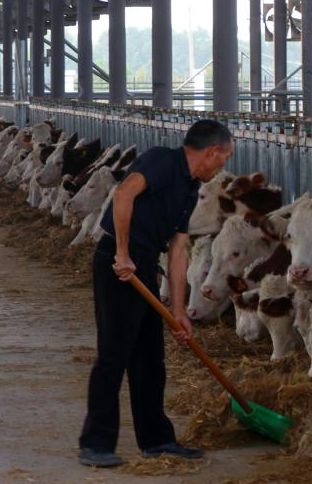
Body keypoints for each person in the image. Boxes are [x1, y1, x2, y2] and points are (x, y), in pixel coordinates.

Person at [78, 119, 235, 468]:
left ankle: (157, 440)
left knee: (150, 358)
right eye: (224, 158)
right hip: (118, 264)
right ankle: (95, 443)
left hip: (146, 264)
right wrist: (122, 253)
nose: (222, 165)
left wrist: (178, 311)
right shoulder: (162, 160)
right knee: (114, 354)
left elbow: (178, 251)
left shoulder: (190, 188)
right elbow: (123, 194)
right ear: (212, 152)